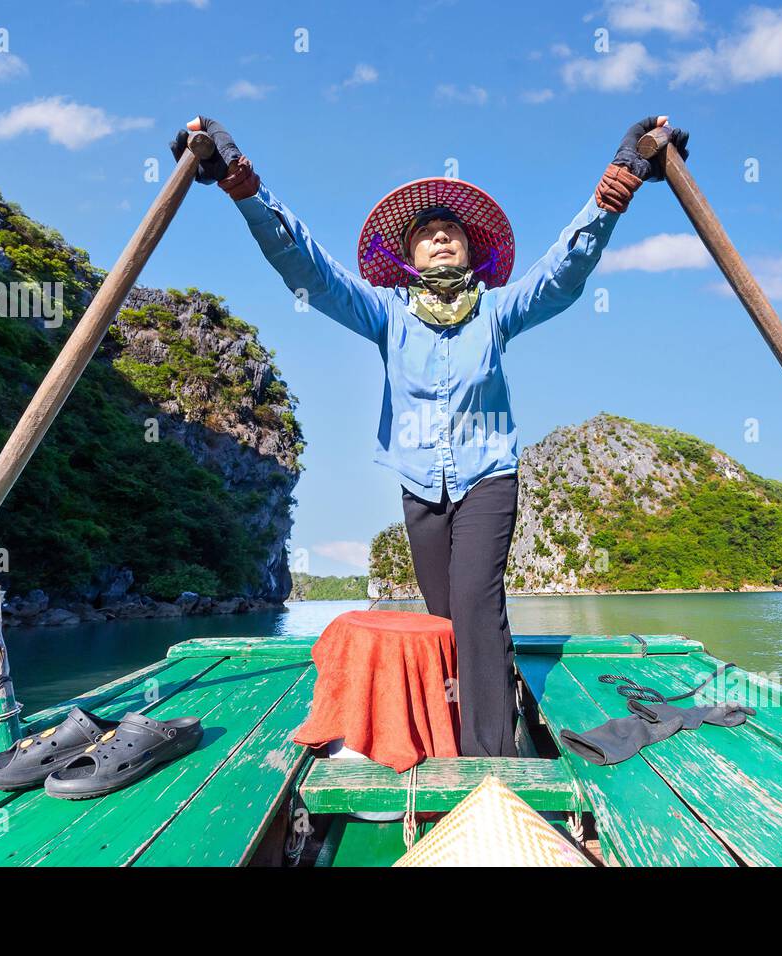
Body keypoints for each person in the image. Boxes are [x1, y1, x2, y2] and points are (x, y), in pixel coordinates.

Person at [171, 114, 689, 757]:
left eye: (452, 232)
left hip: (488, 477)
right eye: (427, 232)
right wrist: (243, 186)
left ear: (472, 252)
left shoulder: (498, 313)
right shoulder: (386, 316)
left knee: (475, 601)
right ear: (408, 255)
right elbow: (308, 269)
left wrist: (618, 184)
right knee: (447, 620)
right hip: (420, 487)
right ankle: (468, 723)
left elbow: (563, 273)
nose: (441, 237)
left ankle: (492, 763)